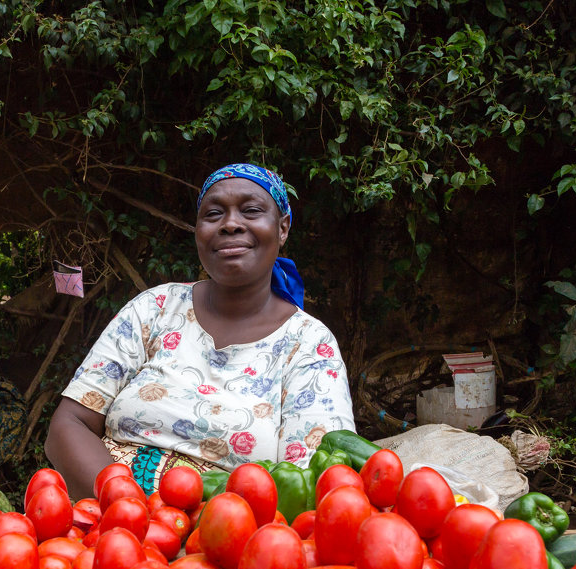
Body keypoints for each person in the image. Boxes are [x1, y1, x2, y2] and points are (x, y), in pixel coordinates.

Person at [45, 163, 355, 500]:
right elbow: (69, 424)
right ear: (198, 231)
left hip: (226, 534)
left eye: (251, 211)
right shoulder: (155, 308)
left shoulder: (310, 346)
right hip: (109, 522)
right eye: (214, 214)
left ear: (282, 228)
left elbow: (312, 481)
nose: (231, 224)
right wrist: (126, 506)